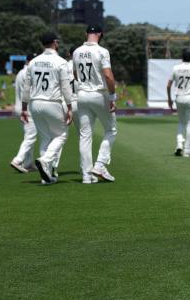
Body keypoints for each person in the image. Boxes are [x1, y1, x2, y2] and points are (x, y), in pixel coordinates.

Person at [20, 32, 73, 185]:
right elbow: (65, 87)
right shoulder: (61, 61)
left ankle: (46, 177)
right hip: (52, 102)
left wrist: (24, 107)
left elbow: (26, 87)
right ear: (55, 43)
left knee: (45, 138)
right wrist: (69, 107)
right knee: (61, 135)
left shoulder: (33, 62)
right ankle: (46, 161)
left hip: (35, 104)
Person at [72, 25, 118, 184]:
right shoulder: (102, 51)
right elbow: (108, 76)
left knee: (85, 135)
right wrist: (113, 96)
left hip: (82, 95)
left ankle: (86, 175)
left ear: (86, 34)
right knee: (111, 130)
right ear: (100, 34)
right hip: (99, 93)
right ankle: (99, 165)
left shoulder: (76, 51)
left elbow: (75, 75)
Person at [166, 49, 190, 158]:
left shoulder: (175, 68)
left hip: (179, 97)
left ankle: (179, 144)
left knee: (181, 122)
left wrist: (169, 99)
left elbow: (168, 85)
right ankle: (188, 150)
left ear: (181, 58)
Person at [10, 55, 37, 173]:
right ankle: (18, 160)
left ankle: (28, 163)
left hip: (19, 106)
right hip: (27, 108)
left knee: (29, 135)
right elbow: (29, 92)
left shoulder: (21, 72)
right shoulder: (29, 72)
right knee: (31, 136)